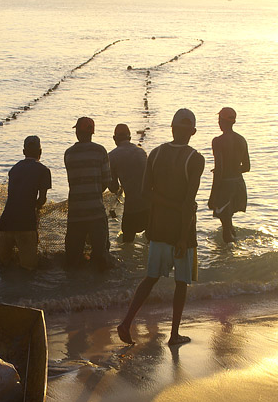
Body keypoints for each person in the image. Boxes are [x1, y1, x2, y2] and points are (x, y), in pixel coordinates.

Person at [117, 109, 205, 346]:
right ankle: (174, 334)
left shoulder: (155, 154)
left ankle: (126, 323)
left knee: (150, 278)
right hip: (181, 231)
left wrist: (168, 204)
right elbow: (188, 202)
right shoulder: (195, 159)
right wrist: (184, 237)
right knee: (181, 283)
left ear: (172, 128)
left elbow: (146, 193)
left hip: (157, 229)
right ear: (193, 132)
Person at [0, 135, 51, 270]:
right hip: (26, 224)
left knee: (4, 267)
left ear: (23, 152)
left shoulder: (14, 169)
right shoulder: (44, 170)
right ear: (40, 152)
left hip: (5, 223)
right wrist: (37, 209)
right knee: (29, 269)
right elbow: (42, 199)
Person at [63, 116, 111, 269]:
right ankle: (101, 290)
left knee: (72, 257)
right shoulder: (100, 151)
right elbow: (106, 181)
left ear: (77, 132)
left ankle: (74, 289)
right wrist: (95, 192)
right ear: (92, 133)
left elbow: (73, 181)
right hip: (96, 212)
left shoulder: (69, 154)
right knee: (101, 256)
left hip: (76, 213)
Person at [208, 107, 250, 243]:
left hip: (225, 186)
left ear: (223, 121)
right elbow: (247, 167)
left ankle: (226, 260)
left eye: (219, 120)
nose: (218, 123)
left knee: (225, 226)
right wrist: (233, 170)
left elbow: (219, 170)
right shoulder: (241, 140)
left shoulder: (218, 141)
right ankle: (234, 250)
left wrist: (212, 196)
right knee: (228, 222)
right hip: (238, 184)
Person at [108, 123, 149, 242]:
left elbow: (113, 188)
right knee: (150, 244)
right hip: (150, 206)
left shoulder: (112, 156)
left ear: (115, 139)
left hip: (132, 208)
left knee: (127, 244)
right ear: (130, 138)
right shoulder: (141, 152)